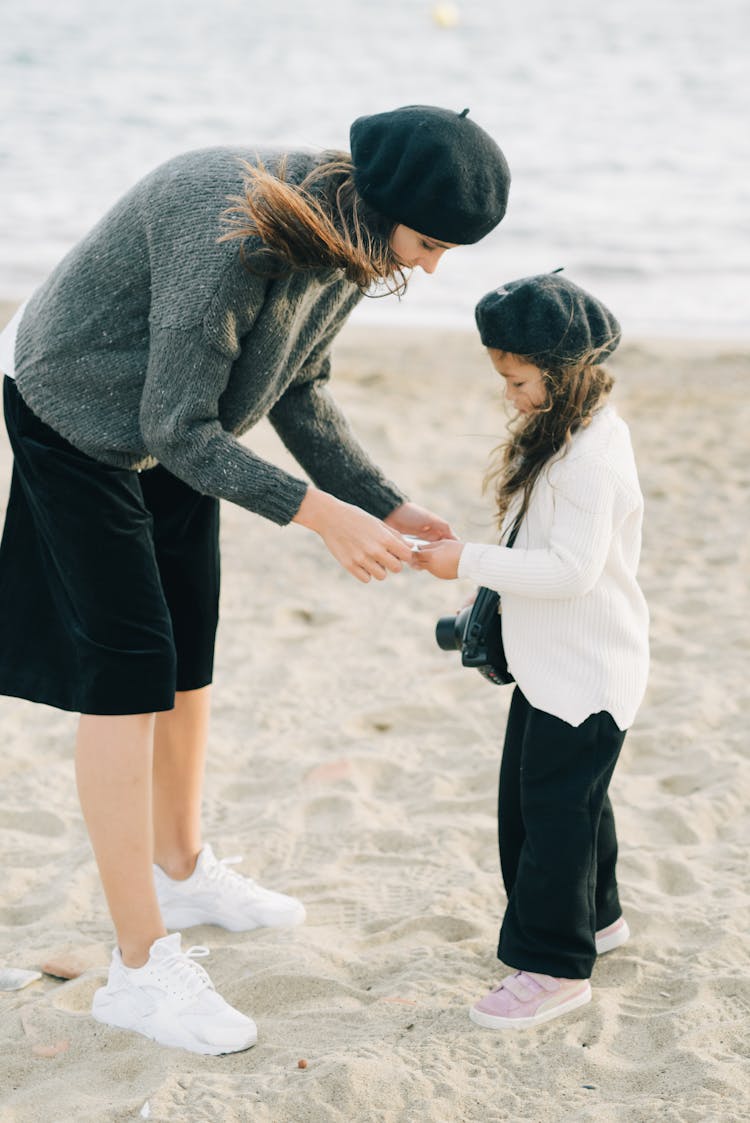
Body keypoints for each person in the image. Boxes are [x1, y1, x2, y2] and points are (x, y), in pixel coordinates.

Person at [0, 105, 511, 1054]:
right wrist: (321, 517)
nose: (431, 266)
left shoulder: (353, 235)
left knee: (188, 652)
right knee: (129, 670)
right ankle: (139, 969)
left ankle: (182, 867)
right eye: (430, 242)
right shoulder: (227, 226)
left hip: (178, 431)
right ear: (388, 204)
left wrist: (382, 500)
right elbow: (175, 428)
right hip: (77, 412)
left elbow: (299, 386)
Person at [413, 272, 649, 1029]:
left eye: (517, 380)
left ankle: (553, 966)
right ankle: (599, 919)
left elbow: (571, 571)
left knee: (548, 819)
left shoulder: (590, 461)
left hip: (586, 672)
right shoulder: (573, 434)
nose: (510, 394)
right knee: (571, 804)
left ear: (562, 371)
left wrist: (468, 562)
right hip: (556, 667)